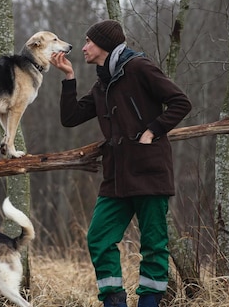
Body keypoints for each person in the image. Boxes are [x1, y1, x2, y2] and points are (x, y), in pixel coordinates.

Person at [50, 19, 191, 307]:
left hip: (150, 173)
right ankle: (114, 303)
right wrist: (68, 77)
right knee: (99, 239)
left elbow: (180, 101)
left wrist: (153, 130)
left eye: (88, 41)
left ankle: (149, 304)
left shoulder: (139, 68)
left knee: (154, 246)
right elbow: (71, 118)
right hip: (115, 177)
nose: (84, 46)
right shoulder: (103, 84)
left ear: (104, 45)